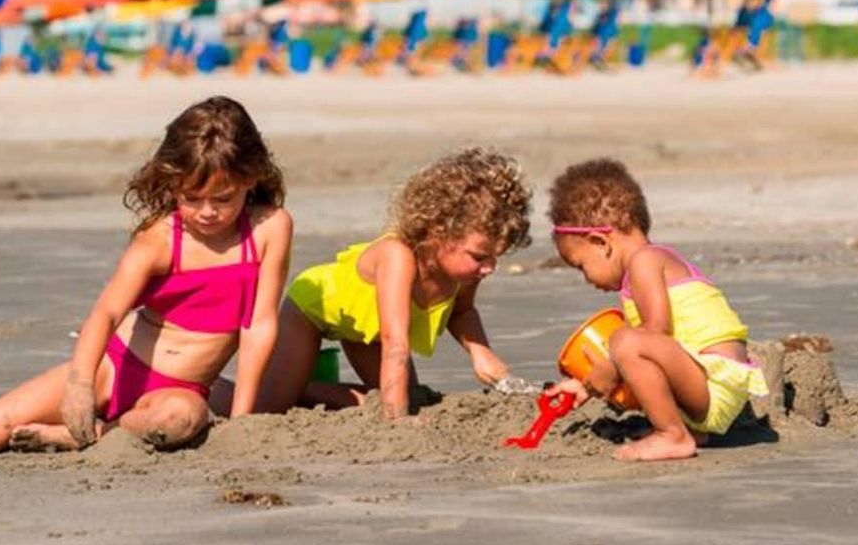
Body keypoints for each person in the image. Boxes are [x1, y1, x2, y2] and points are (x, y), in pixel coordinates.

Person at [0, 97, 293, 452]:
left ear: (250, 178)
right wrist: (80, 385)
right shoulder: (161, 238)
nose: (207, 212)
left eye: (223, 199)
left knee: (181, 420)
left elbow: (258, 325)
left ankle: (93, 435)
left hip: (179, 391)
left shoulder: (269, 229)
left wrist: (244, 418)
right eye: (191, 199)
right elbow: (106, 313)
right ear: (172, 184)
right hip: (113, 368)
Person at [219, 148, 532, 420]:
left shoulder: (465, 272)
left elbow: (462, 312)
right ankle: (222, 389)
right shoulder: (398, 257)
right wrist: (398, 423)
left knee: (409, 395)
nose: (490, 268)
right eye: (480, 256)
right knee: (268, 408)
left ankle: (304, 390)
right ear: (438, 232)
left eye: (496, 257)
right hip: (315, 306)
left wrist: (481, 353)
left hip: (366, 328)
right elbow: (395, 344)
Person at [544, 158, 768, 462]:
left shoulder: (645, 262)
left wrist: (611, 367)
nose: (586, 279)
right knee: (626, 342)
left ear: (600, 241)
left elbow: (656, 330)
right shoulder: (645, 267)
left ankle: (672, 435)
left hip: (715, 383)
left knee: (625, 340)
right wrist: (586, 385)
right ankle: (688, 429)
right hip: (701, 384)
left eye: (581, 266)